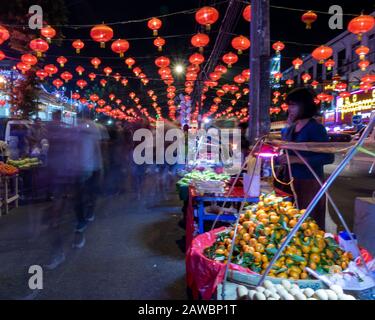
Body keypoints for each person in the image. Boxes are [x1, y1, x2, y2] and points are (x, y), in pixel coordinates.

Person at [278, 87, 334, 230]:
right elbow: (285, 142)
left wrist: (296, 160)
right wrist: (289, 125)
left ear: (304, 106)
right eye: (288, 105)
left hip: (310, 183)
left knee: (309, 224)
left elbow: (328, 157)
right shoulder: (292, 127)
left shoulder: (315, 128)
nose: (289, 109)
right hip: (289, 181)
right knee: (289, 222)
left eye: (293, 105)